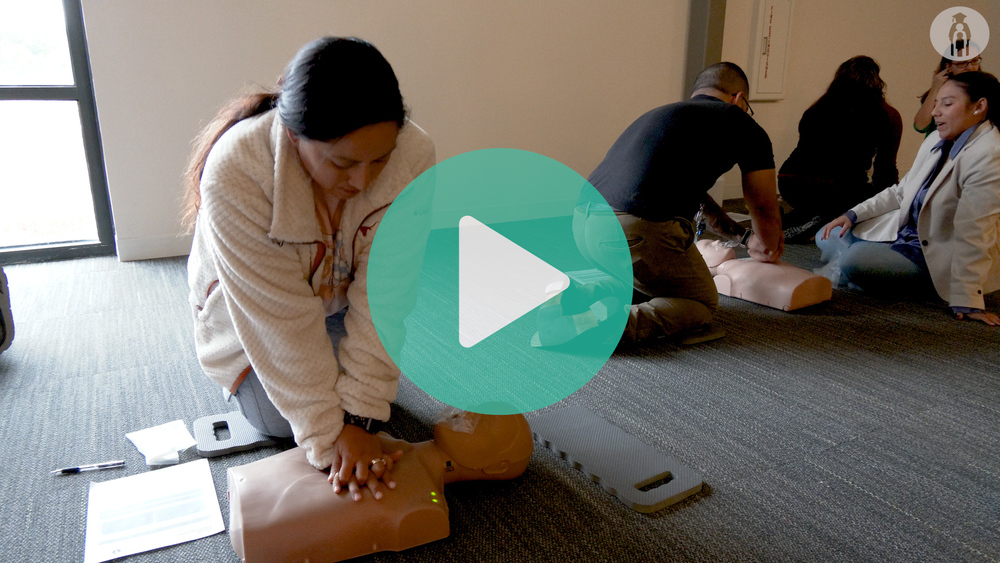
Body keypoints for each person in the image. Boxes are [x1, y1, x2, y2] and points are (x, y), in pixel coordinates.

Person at [184, 37, 436, 499]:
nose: (363, 181)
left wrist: (359, 419)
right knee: (285, 422)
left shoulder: (414, 156)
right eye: (342, 163)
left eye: (379, 160)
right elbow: (278, 322)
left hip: (332, 306)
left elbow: (388, 291)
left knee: (369, 399)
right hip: (249, 324)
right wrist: (331, 438)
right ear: (295, 136)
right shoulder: (238, 171)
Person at [587, 62, 784, 343]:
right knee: (700, 304)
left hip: (585, 226)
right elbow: (764, 206)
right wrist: (769, 244)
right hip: (634, 231)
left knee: (648, 287)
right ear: (739, 98)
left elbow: (702, 202)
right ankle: (601, 330)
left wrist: (744, 237)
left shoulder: (667, 115)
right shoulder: (742, 124)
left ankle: (578, 297)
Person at [818, 71, 1000, 326]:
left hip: (936, 254)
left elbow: (975, 232)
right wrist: (852, 214)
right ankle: (856, 259)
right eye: (936, 103)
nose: (935, 112)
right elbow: (900, 191)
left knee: (853, 260)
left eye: (947, 104)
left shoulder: (989, 154)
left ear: (980, 106)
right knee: (826, 233)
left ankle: (853, 261)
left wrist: (967, 297)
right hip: (906, 234)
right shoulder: (937, 138)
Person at [779, 56, 903, 241]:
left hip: (789, 183)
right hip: (837, 190)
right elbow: (885, 169)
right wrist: (888, 204)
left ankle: (799, 219)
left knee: (827, 198)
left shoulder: (816, 109)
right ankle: (819, 220)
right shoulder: (887, 115)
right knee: (862, 199)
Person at [914, 54, 983, 136]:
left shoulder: (987, 89)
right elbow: (920, 126)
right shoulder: (941, 91)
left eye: (974, 61)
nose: (970, 67)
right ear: (948, 66)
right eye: (962, 63)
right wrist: (935, 88)